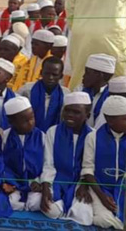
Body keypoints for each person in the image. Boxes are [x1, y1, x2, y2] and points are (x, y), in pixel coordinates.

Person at [79, 95, 126, 229]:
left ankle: (119, 222)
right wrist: (102, 197)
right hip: (100, 188)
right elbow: (88, 169)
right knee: (103, 220)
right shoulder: (93, 137)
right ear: (110, 120)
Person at [38, 92, 93, 223]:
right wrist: (46, 188)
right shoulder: (53, 131)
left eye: (76, 112)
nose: (70, 115)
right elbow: (48, 164)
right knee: (50, 210)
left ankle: (68, 206)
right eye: (67, 110)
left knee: (83, 216)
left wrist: (84, 184)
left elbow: (91, 167)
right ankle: (62, 205)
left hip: (81, 182)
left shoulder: (93, 135)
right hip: (57, 179)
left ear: (87, 115)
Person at [0, 97, 45, 212]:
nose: (31, 123)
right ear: (12, 122)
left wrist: (39, 181)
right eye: (25, 121)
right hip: (12, 182)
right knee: (8, 201)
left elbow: (47, 163)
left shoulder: (42, 137)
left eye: (32, 118)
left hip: (33, 181)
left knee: (36, 203)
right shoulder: (4, 137)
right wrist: (6, 182)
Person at [18, 57, 68, 132]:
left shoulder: (66, 94)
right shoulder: (27, 90)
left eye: (54, 75)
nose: (50, 77)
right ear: (41, 73)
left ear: (61, 76)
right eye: (47, 73)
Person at [77, 54, 116, 126]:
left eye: (87, 73)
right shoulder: (79, 90)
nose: (83, 76)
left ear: (99, 75)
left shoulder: (110, 97)